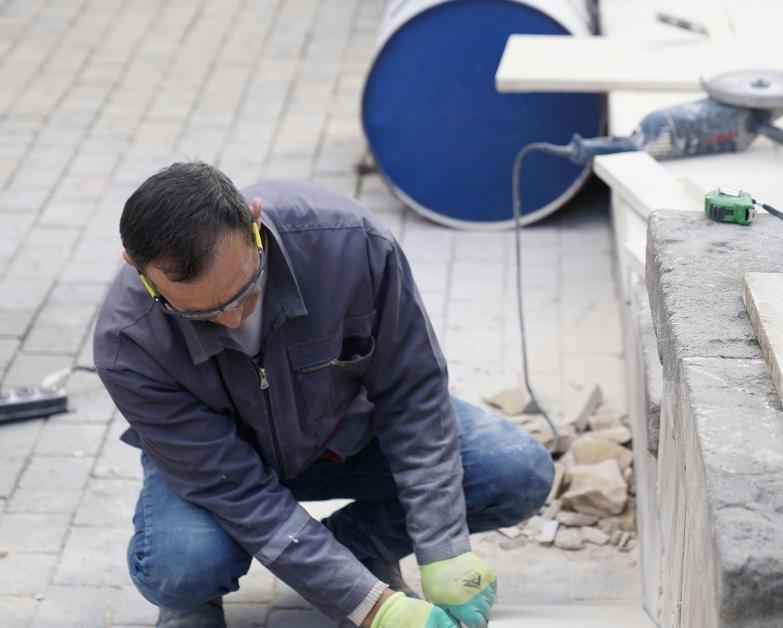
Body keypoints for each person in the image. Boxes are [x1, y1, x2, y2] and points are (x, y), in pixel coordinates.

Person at [94, 161, 554, 628]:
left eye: (244, 292)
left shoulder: (350, 244)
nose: (231, 320)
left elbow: (413, 392)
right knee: (183, 565)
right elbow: (236, 492)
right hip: (221, 470)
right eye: (202, 313)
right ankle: (194, 603)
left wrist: (444, 550)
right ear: (138, 269)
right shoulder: (127, 341)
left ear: (255, 223)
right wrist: (372, 608)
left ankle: (357, 550)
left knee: (516, 468)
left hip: (347, 438)